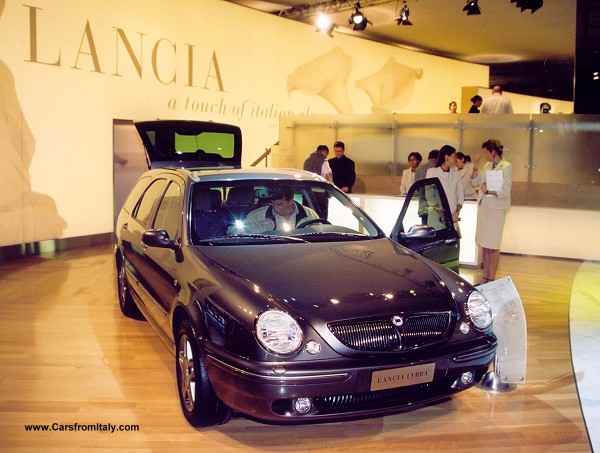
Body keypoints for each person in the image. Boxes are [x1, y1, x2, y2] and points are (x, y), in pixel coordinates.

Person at [471, 139, 513, 284]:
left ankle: (491, 277)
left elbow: (506, 191)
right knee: (485, 244)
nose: (485, 155)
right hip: (485, 208)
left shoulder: (506, 167)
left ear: (493, 152)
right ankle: (485, 276)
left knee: (493, 245)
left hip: (497, 209)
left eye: (486, 152)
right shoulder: (488, 166)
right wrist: (476, 165)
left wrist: (488, 190)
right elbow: (475, 182)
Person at [229, 187, 319, 234]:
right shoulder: (257, 216)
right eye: (272, 204)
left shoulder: (309, 215)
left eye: (280, 204)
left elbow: (320, 236)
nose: (275, 208)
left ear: (291, 200)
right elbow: (234, 233)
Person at [426, 145, 464, 228]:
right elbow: (429, 196)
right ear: (447, 157)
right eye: (454, 156)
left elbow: (460, 195)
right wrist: (442, 214)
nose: (456, 159)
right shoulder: (432, 172)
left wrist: (457, 212)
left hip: (453, 216)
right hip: (436, 216)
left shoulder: (456, 173)